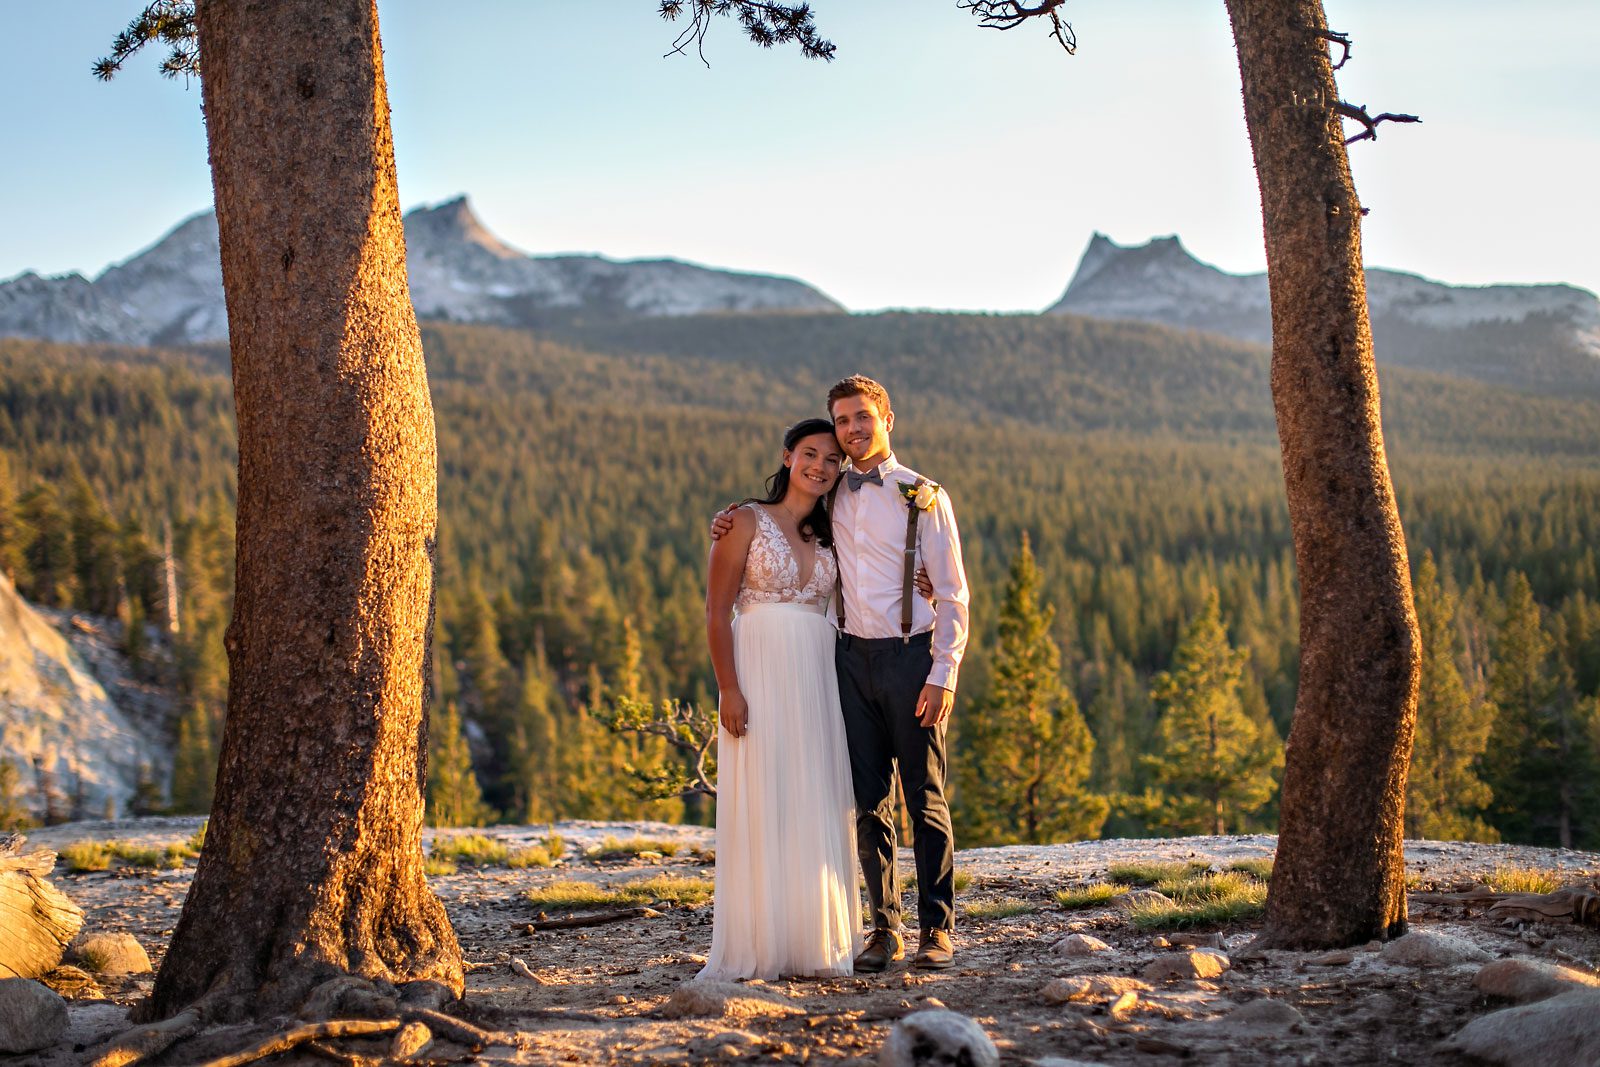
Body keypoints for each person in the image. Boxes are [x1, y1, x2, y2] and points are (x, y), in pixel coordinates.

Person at [714, 375, 971, 972]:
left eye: (863, 418)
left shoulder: (923, 496)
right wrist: (727, 522)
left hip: (911, 656)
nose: (853, 431)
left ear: (887, 419)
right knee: (868, 801)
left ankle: (938, 928)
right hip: (847, 660)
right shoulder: (830, 494)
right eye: (843, 422)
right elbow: (778, 524)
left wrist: (944, 671)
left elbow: (954, 592)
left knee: (925, 795)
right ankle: (885, 929)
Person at [698, 417, 861, 980]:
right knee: (766, 796)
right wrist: (728, 687)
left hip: (818, 676)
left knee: (812, 797)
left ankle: (812, 941)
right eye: (811, 453)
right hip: (760, 668)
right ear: (788, 456)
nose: (821, 466)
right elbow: (718, 612)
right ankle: (761, 944)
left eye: (832, 459)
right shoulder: (743, 521)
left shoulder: (832, 531)